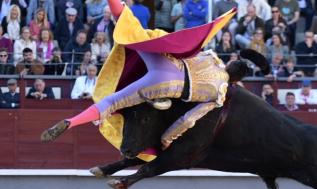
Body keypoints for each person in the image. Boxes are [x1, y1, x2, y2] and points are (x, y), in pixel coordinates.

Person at [41, 0, 245, 152]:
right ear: (235, 80)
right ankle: (72, 121)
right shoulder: (219, 93)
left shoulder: (212, 57)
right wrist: (166, 139)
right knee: (112, 102)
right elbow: (188, 119)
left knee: (133, 30)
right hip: (166, 85)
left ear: (229, 63)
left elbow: (189, 50)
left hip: (166, 62)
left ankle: (72, 120)